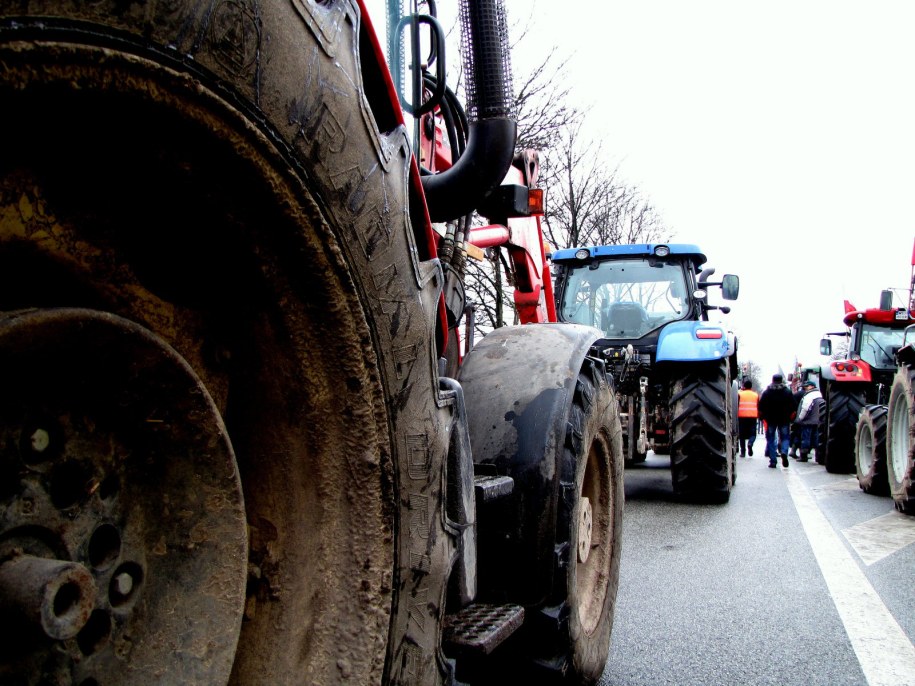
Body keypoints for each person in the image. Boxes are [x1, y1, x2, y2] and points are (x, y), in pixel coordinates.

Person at [758, 373, 795, 468]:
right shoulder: (787, 392)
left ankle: (773, 461)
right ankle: (784, 452)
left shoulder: (767, 392)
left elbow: (761, 406)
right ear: (781, 380)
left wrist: (762, 416)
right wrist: (791, 416)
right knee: (785, 438)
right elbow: (793, 405)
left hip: (770, 419)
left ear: (772, 380)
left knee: (770, 439)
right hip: (784, 419)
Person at [794, 380, 824, 461]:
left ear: (812, 386)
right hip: (817, 421)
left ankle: (803, 456)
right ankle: (818, 457)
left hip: (807, 421)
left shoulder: (809, 396)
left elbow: (805, 408)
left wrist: (800, 418)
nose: (805, 388)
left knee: (805, 439)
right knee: (816, 438)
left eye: (807, 386)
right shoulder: (820, 395)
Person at [737, 379, 759, 457]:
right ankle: (750, 443)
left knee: (742, 435)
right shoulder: (755, 395)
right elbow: (758, 406)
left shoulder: (740, 394)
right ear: (751, 386)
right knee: (753, 434)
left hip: (742, 416)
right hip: (752, 416)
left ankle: (743, 452)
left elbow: (736, 405)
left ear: (744, 386)